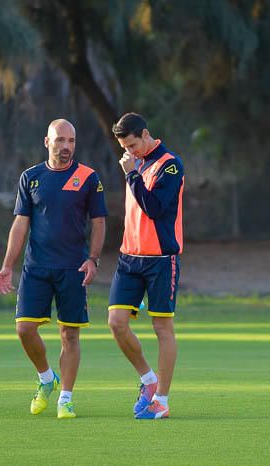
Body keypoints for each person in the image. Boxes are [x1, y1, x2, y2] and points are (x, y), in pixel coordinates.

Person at [0, 119, 107, 418]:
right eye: (60, 140)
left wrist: (93, 259)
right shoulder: (30, 177)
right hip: (36, 268)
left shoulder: (88, 177)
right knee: (24, 329)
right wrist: (8, 265)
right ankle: (47, 378)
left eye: (71, 141)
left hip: (73, 268)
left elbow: (99, 222)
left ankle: (65, 399)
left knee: (70, 335)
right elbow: (20, 224)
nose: (66, 146)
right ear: (47, 142)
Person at [107, 112, 184, 420]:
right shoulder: (134, 163)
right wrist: (132, 171)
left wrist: (131, 175)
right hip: (129, 257)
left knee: (161, 327)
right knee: (116, 322)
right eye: (125, 147)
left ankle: (162, 401)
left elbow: (153, 208)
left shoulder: (171, 164)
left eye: (133, 145)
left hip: (161, 259)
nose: (130, 152)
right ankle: (148, 380)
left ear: (146, 134)